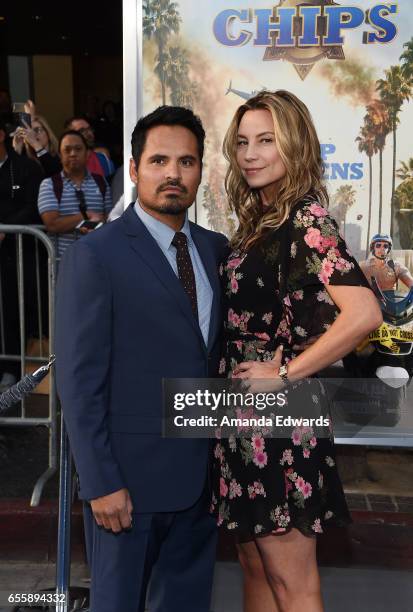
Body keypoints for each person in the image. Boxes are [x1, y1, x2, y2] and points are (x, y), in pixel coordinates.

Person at [210, 90, 382, 612]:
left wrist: (285, 373)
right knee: (256, 567)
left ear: (295, 145)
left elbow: (366, 313)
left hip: (280, 418)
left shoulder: (306, 221)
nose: (250, 154)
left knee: (291, 581)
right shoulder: (262, 219)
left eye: (266, 141)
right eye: (242, 142)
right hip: (244, 415)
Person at [55, 106, 227, 612]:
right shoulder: (97, 254)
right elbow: (78, 380)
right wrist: (101, 481)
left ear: (200, 171)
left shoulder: (216, 251)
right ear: (133, 170)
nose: (173, 173)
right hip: (125, 489)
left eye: (187, 162)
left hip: (200, 485)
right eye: (158, 161)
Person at [0, 117, 44, 390]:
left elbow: (34, 205)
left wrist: (6, 228)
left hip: (18, 253)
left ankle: (11, 369)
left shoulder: (26, 168)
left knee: (13, 311)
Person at [37, 130, 112, 258]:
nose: (73, 154)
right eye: (67, 150)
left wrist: (98, 223)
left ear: (88, 154)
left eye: (78, 149)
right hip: (63, 262)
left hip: (97, 259)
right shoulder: (49, 184)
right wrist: (85, 217)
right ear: (60, 155)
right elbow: (52, 224)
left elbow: (110, 219)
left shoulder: (101, 182)